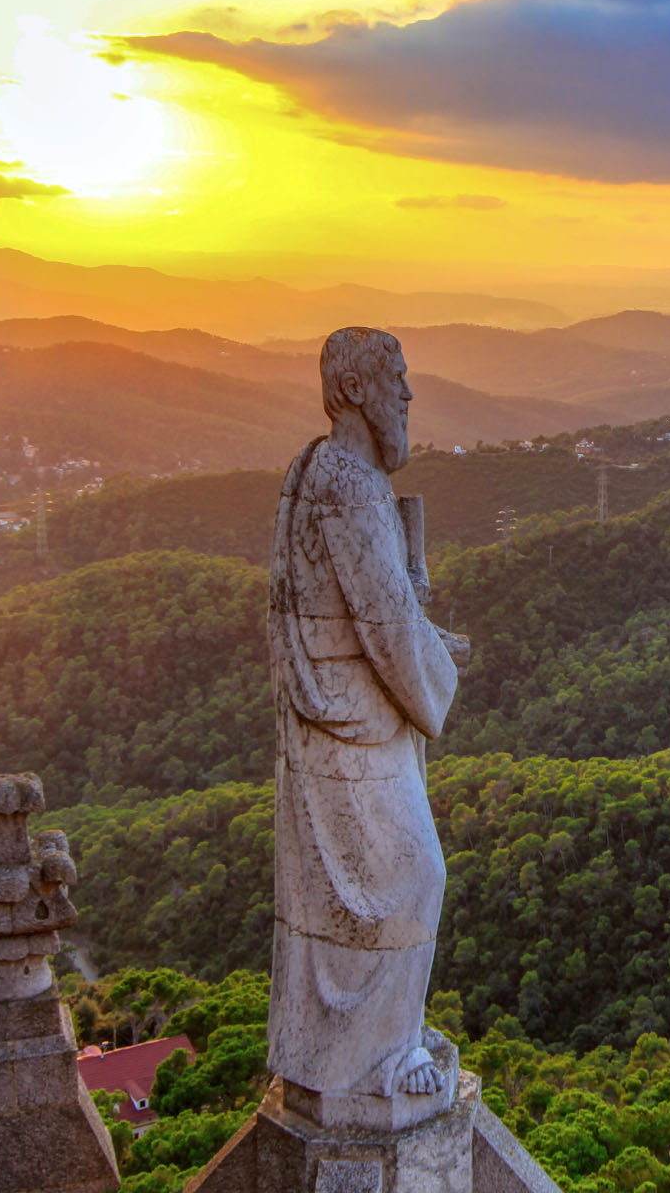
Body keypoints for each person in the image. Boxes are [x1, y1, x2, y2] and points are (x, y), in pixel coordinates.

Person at [267, 326, 467, 1102]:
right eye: (398, 378)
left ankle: (367, 1044)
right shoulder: (348, 483)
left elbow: (365, 617)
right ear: (354, 390)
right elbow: (386, 627)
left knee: (369, 887)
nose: (409, 395)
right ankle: (375, 1060)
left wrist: (425, 637)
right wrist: (438, 662)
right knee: (413, 874)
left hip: (345, 720)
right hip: (354, 729)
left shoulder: (320, 471)